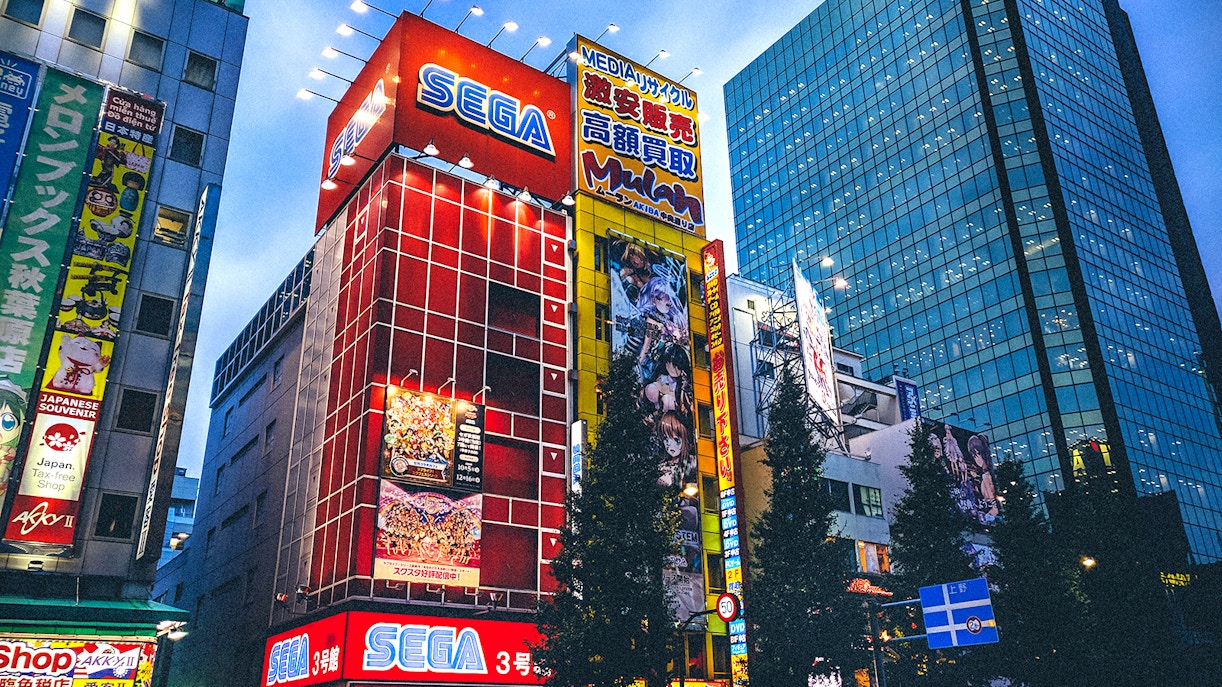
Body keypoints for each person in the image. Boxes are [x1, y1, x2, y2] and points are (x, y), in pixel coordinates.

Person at [643, 343, 693, 415]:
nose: (672, 368)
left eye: (676, 365)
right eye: (668, 363)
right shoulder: (661, 377)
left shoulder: (684, 382)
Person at [968, 434, 999, 520]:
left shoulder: (986, 476)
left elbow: (991, 496)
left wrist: (993, 510)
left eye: (977, 454)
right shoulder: (985, 474)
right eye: (974, 456)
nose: (976, 458)